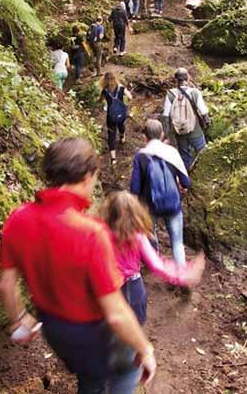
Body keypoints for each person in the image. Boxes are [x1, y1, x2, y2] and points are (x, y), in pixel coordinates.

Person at [0, 138, 156, 394]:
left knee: (90, 378)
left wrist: (19, 319)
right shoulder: (90, 233)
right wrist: (145, 348)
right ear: (86, 176)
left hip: (56, 331)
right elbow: (115, 313)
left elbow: (6, 285)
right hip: (96, 333)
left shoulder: (17, 219)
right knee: (127, 372)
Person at [101, 190, 205, 325]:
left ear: (109, 212)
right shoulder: (136, 236)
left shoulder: (99, 232)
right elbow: (157, 265)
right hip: (132, 287)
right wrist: (185, 274)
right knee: (134, 327)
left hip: (107, 287)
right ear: (135, 212)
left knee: (110, 327)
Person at [130, 119, 191, 265]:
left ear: (145, 137)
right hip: (173, 203)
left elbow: (135, 189)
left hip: (149, 205)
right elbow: (186, 182)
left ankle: (155, 266)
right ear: (162, 134)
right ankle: (181, 275)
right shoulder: (172, 152)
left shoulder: (141, 156)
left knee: (150, 234)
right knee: (177, 242)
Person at [162, 68, 210, 170]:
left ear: (176, 80)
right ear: (187, 78)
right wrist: (207, 126)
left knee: (184, 156)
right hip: (195, 130)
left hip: (179, 132)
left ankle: (188, 177)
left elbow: (165, 116)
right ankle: (201, 174)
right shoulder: (194, 92)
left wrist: (167, 134)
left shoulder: (170, 94)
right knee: (202, 153)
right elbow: (204, 112)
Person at [101, 72, 132, 166]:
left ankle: (113, 159)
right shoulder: (121, 88)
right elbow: (130, 97)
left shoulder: (105, 90)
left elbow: (100, 100)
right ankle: (122, 136)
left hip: (111, 116)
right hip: (121, 113)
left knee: (111, 135)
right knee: (121, 124)